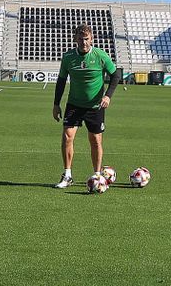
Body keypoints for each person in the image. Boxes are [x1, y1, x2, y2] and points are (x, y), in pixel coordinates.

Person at [51, 26, 120, 188]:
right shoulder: (68, 57)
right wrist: (56, 104)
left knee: (95, 140)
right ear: (75, 39)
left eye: (87, 38)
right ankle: (67, 175)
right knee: (68, 136)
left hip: (95, 106)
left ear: (92, 39)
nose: (84, 42)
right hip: (74, 104)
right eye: (81, 39)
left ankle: (97, 175)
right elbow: (61, 81)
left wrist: (108, 96)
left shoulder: (100, 55)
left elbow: (116, 75)